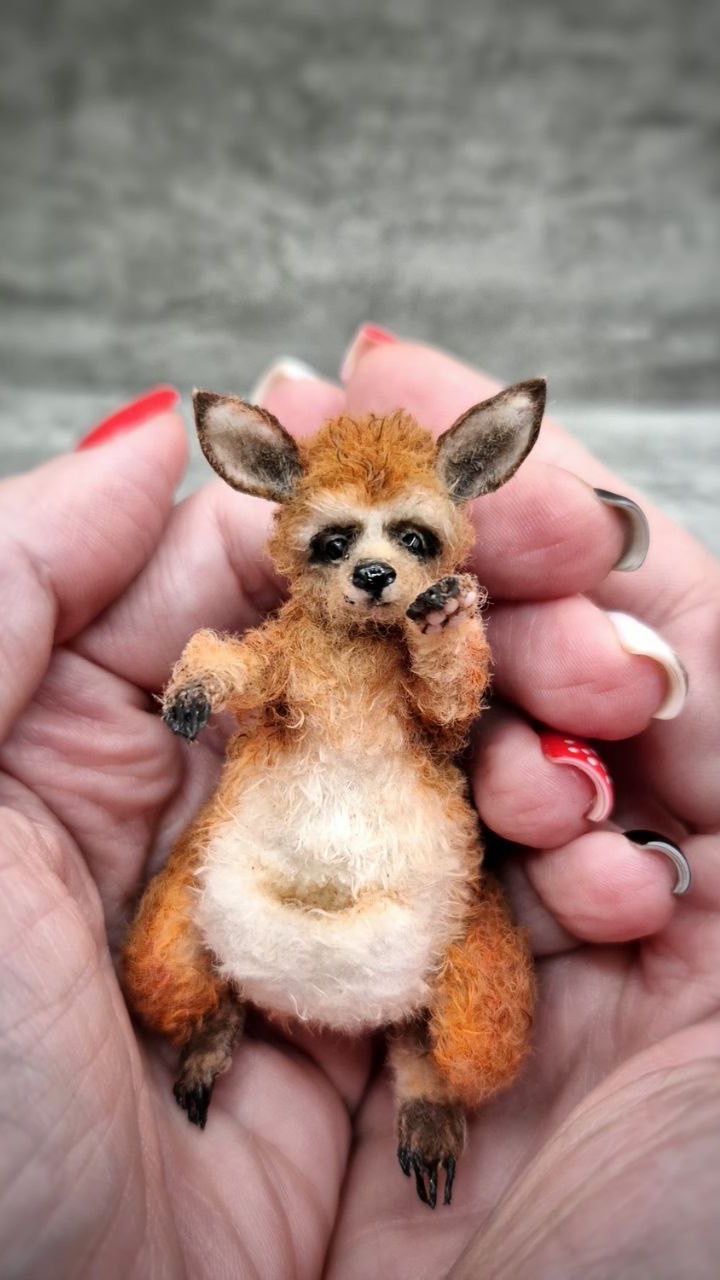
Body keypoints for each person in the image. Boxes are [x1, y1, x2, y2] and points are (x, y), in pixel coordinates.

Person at [0, 331, 717, 1279]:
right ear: (294, 540)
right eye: (338, 542)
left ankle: (423, 1079)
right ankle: (213, 1025)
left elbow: (453, 705)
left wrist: (443, 639)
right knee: (166, 967)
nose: (373, 565)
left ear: (453, 528)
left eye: (409, 539)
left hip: (405, 900)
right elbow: (241, 662)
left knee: (482, 1033)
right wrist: (203, 683)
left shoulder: (436, 637)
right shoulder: (296, 636)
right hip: (256, 884)